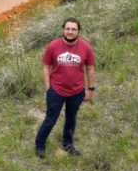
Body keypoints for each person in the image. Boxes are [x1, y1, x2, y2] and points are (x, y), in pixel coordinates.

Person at [34, 17, 95, 158]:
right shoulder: (53, 46)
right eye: (67, 29)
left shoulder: (86, 47)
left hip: (77, 92)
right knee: (51, 119)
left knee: (71, 119)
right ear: (63, 29)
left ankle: (68, 145)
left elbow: (90, 68)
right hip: (56, 91)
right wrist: (48, 87)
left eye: (74, 29)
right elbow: (46, 67)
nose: (70, 32)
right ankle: (40, 145)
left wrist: (90, 90)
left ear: (78, 31)